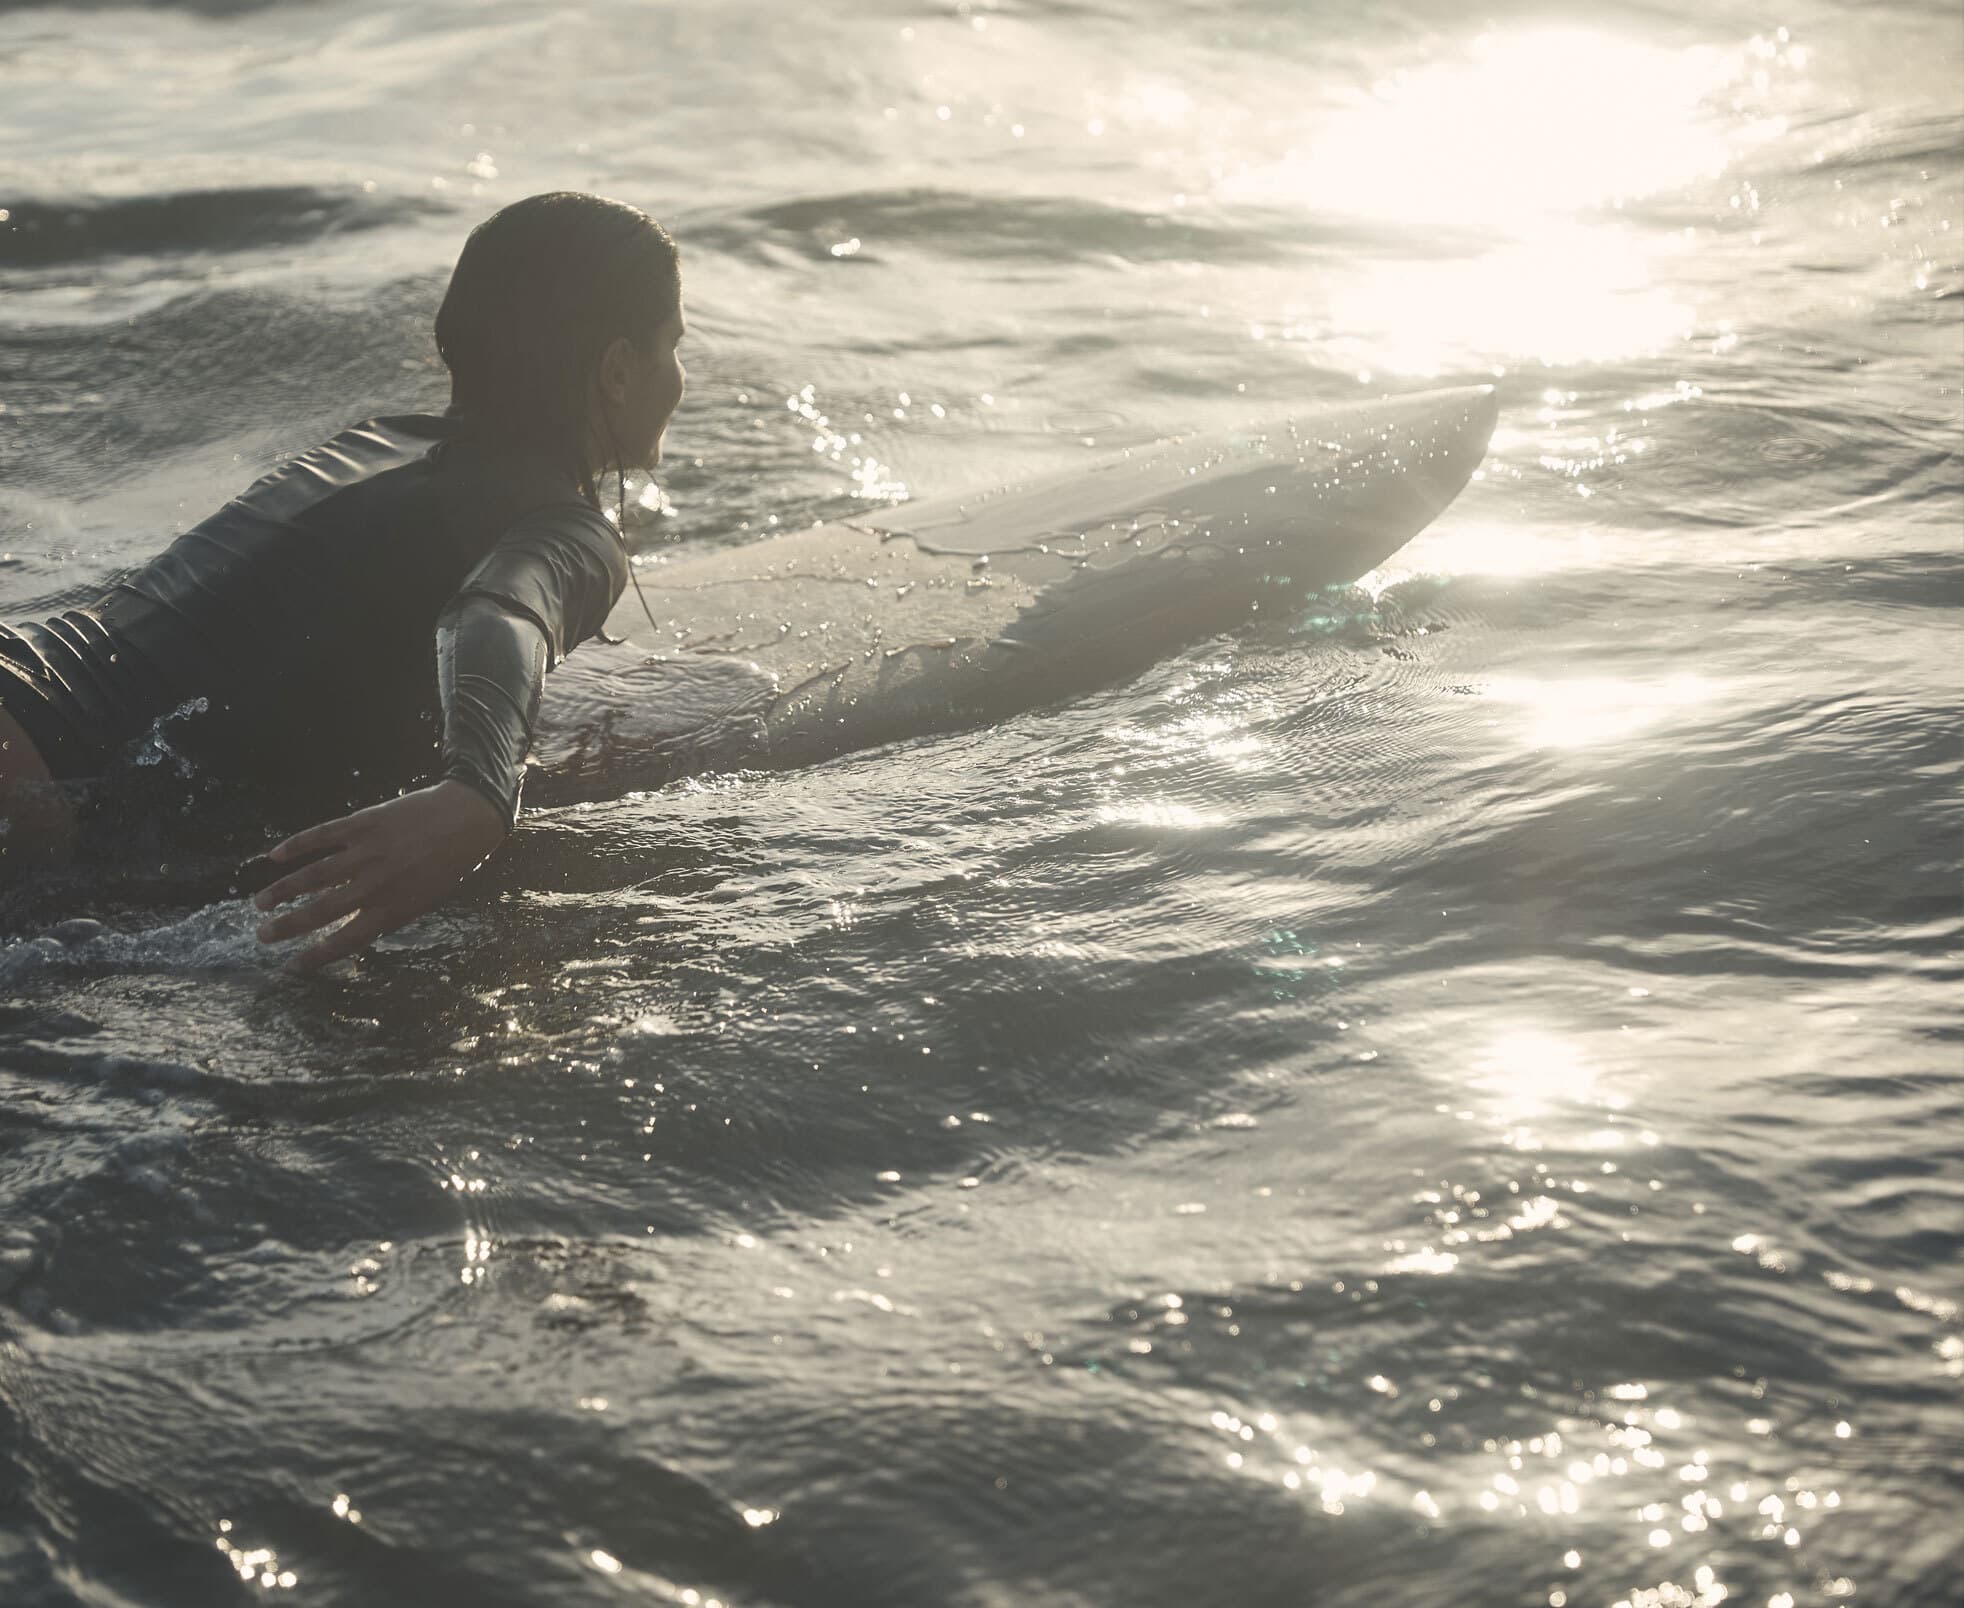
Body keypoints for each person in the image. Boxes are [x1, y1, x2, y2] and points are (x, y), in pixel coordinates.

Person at [0, 191, 687, 971]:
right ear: (619, 370)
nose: (681, 379)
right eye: (674, 346)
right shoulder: (572, 531)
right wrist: (480, 793)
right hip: (36, 778)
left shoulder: (374, 445)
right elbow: (498, 614)